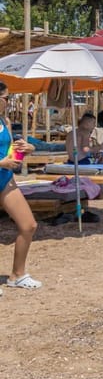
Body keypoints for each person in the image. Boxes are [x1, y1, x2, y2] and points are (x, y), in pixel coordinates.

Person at [0, 81, 41, 290]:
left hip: (4, 179)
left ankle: (17, 274)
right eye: (7, 98)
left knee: (28, 225)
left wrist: (26, 149)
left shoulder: (4, 120)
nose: (8, 101)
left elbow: (10, 152)